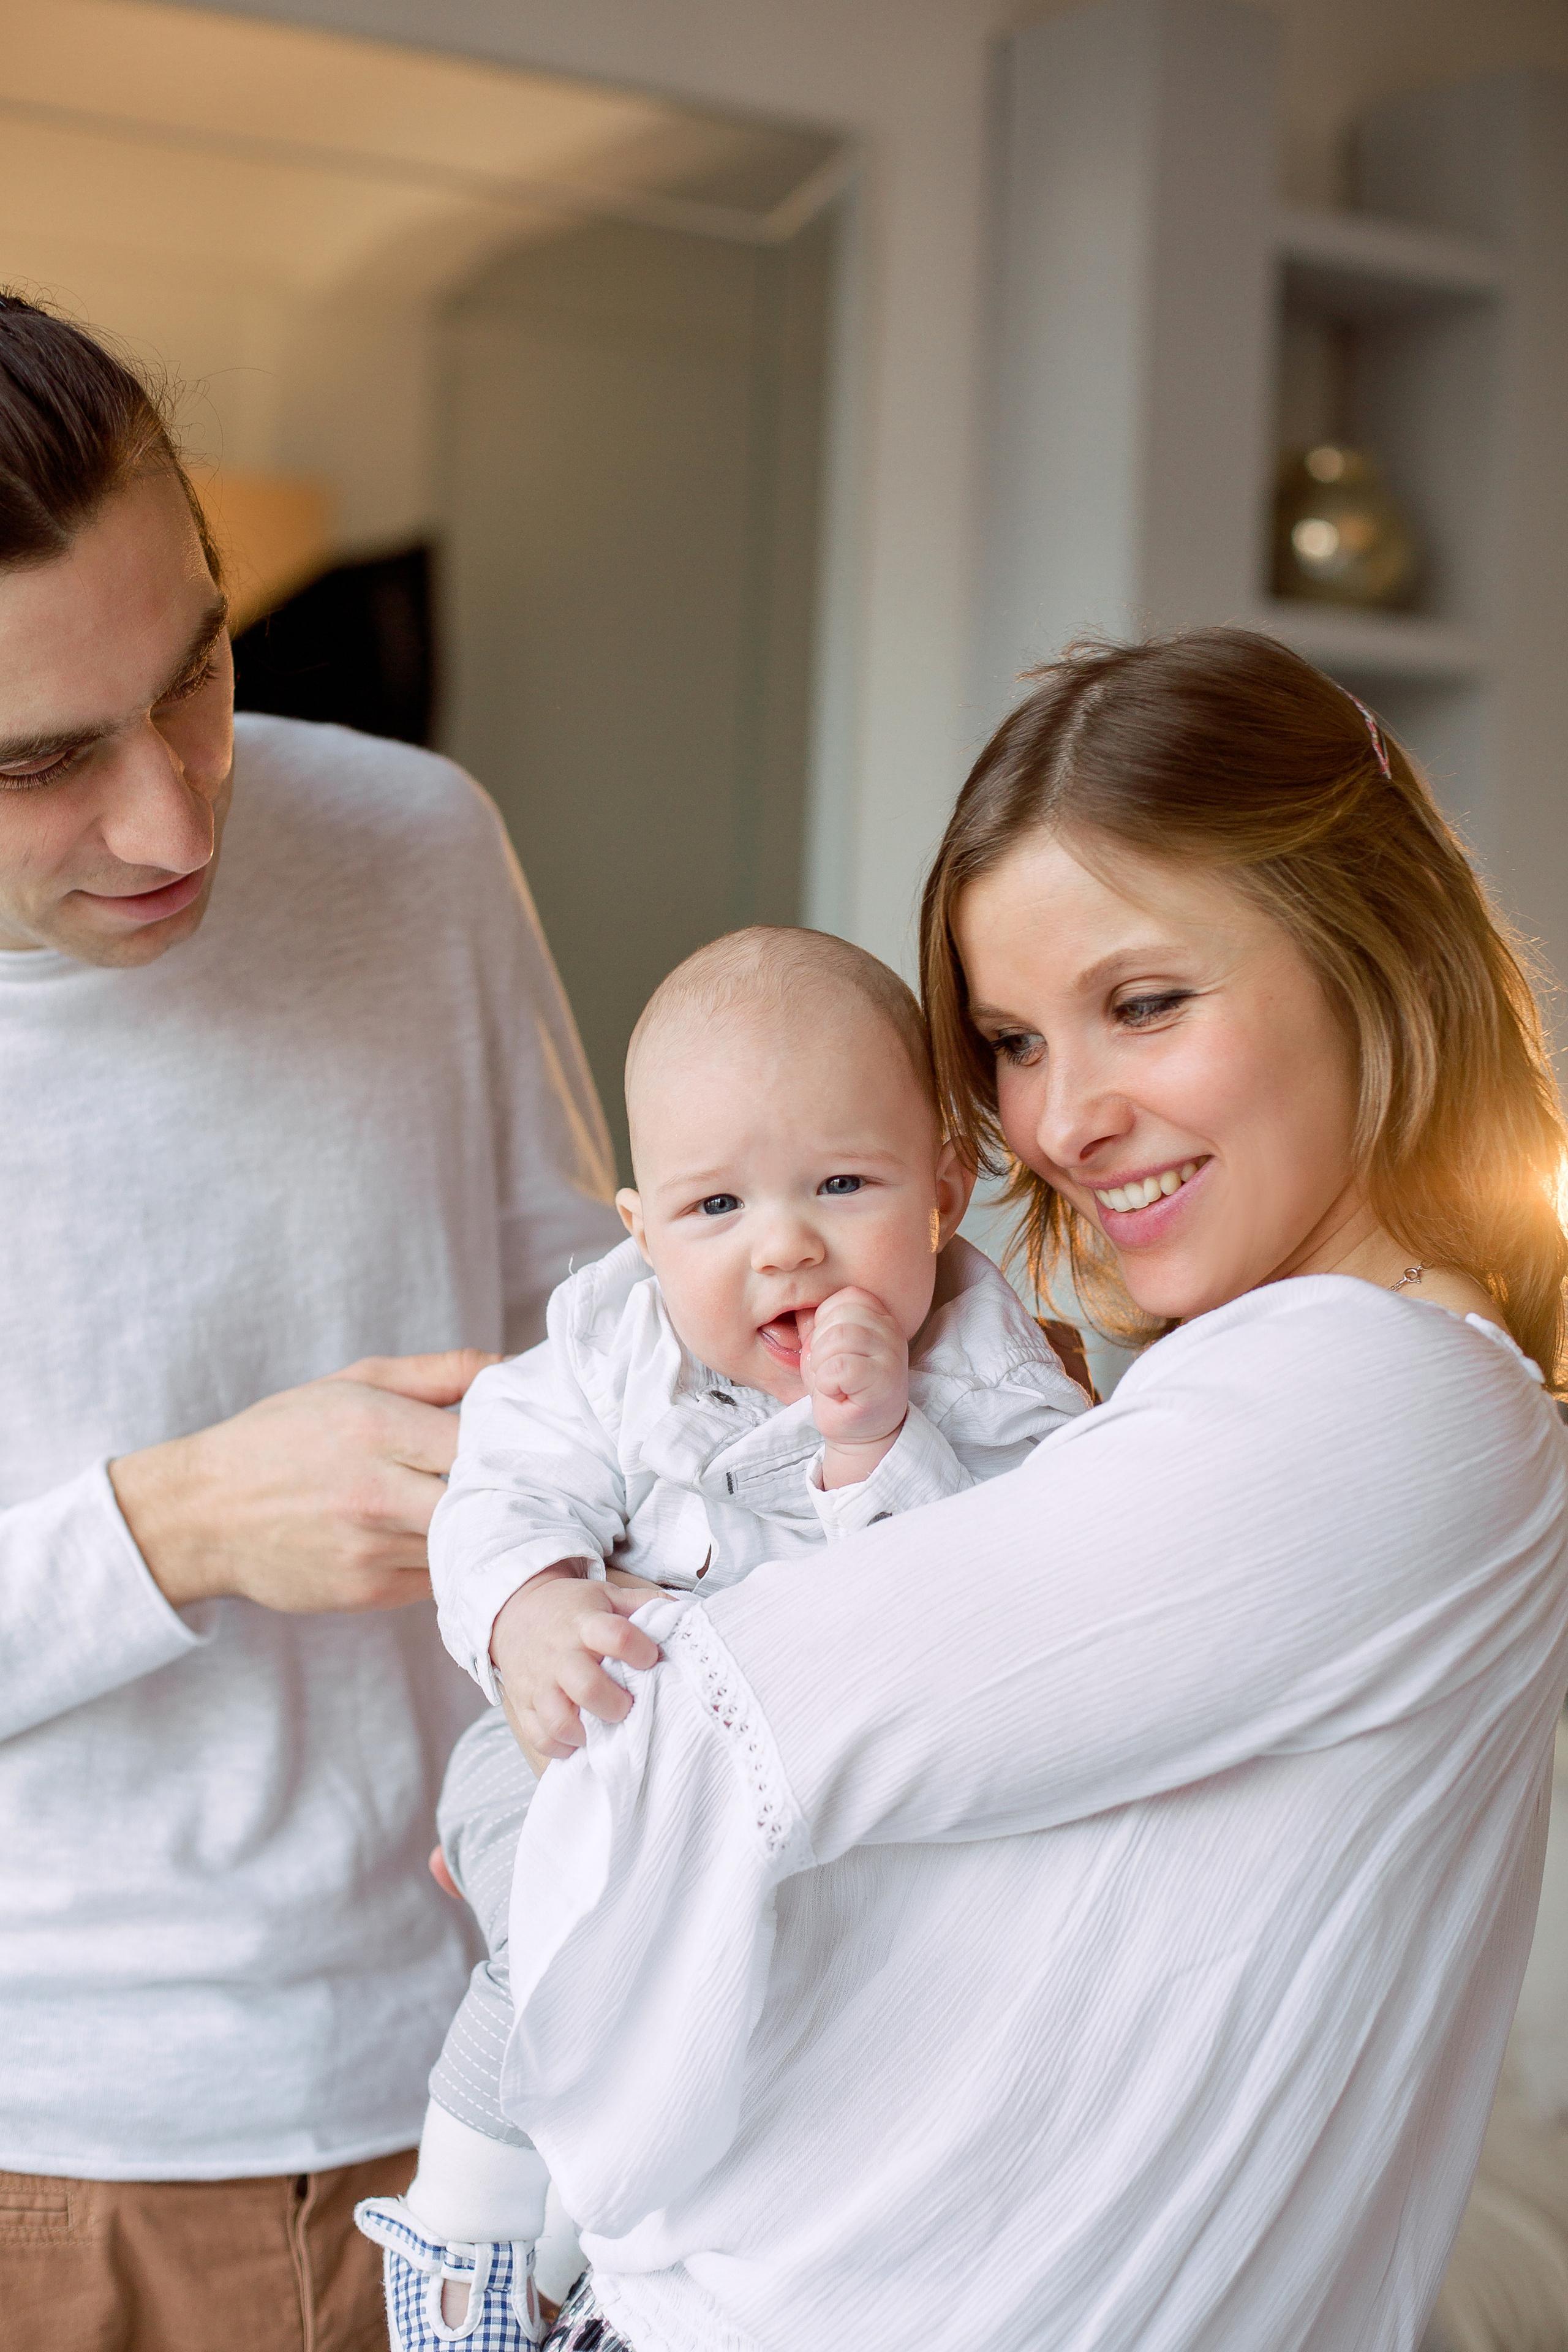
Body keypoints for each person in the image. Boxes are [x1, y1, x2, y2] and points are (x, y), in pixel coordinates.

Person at [489, 630, 1567, 2352]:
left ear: (1372, 952)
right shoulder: (1247, 1394)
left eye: (1146, 1003)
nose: (1064, 1122)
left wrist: (558, 2172)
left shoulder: (1375, 1395)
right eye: (1008, 1043)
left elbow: (699, 1735)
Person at [0, 293, 620, 2351]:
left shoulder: (418, 848)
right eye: (42, 765)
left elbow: (599, 1370)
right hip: (48, 2164)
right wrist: (175, 1525)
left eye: (201, 677)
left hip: (489, 2088)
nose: (178, 820)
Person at [355, 926, 1090, 2346]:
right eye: (713, 1209)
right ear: (638, 1232)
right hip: (582, 1739)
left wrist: (874, 1447)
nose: (782, 1244)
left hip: (809, 1832)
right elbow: (498, 1484)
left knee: (757, 2024)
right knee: (565, 1951)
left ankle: (609, 2274)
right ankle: (461, 2270)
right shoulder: (608, 1343)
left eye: (840, 1183)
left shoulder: (999, 1383)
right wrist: (528, 1606)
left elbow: (1006, 1611)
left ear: (944, 1184)